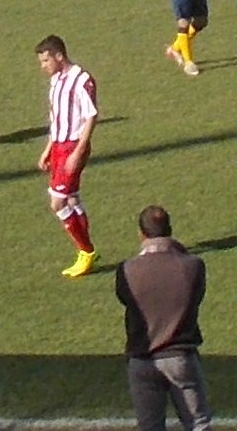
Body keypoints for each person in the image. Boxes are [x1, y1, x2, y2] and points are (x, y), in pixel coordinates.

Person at [113, 205, 210, 431]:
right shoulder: (193, 266)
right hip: (180, 357)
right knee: (198, 425)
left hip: (142, 359)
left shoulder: (127, 270)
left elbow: (126, 299)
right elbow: (196, 296)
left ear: (141, 233)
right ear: (170, 229)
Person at [34, 35, 99, 276]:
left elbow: (91, 116)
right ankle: (87, 250)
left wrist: (79, 151)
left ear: (59, 56)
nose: (43, 66)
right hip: (60, 147)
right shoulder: (56, 81)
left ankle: (86, 251)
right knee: (71, 199)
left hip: (73, 146)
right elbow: (56, 119)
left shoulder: (81, 80)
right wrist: (48, 149)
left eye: (45, 60)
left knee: (57, 202)